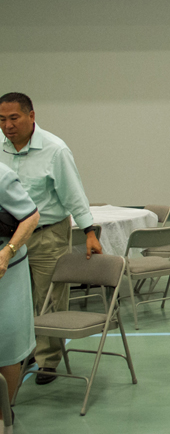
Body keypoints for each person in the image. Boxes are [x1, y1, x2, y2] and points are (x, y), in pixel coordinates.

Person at [0, 92, 102, 385]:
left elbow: (74, 194)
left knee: (49, 298)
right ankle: (22, 352)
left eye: (14, 118)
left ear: (31, 116)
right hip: (10, 238)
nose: (7, 125)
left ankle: (48, 360)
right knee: (15, 301)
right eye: (2, 119)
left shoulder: (55, 150)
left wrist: (89, 232)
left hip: (47, 234)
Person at [0, 163, 40, 426]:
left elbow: (30, 217)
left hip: (6, 270)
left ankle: (4, 411)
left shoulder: (1, 175)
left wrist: (9, 251)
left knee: (7, 341)